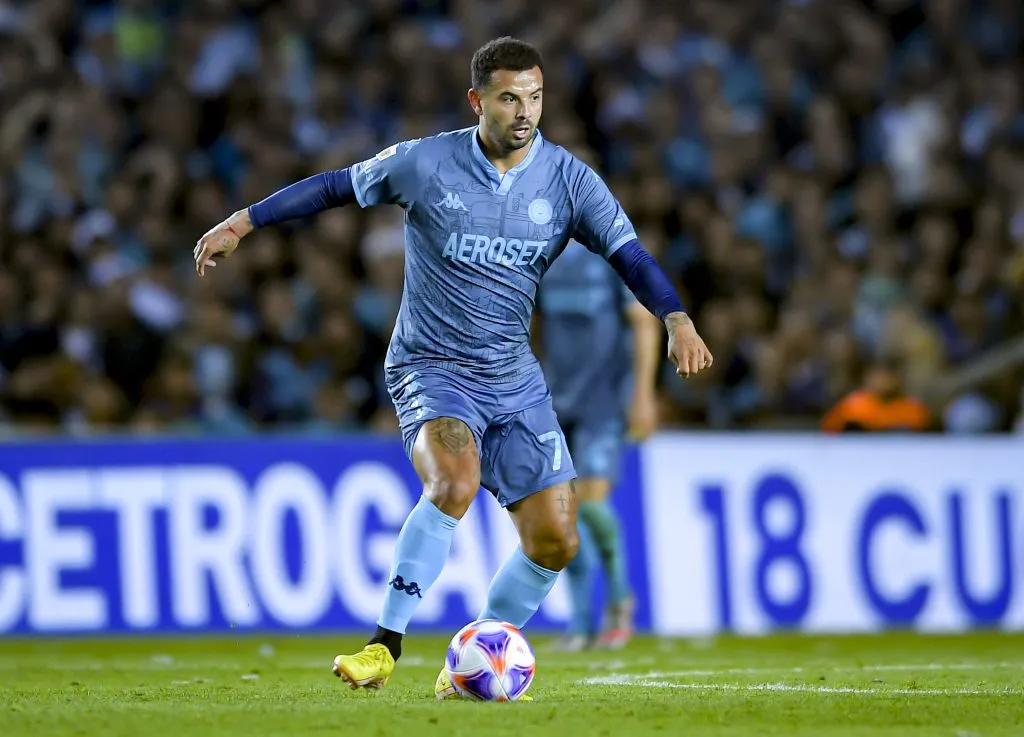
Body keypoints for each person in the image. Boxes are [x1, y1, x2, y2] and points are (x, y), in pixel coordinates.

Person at [193, 37, 713, 697]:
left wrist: (675, 317)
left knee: (556, 539)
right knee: (455, 479)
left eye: (535, 96)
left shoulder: (569, 180)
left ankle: (477, 653)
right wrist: (243, 221)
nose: (524, 111)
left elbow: (630, 255)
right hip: (431, 364)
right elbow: (333, 188)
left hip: (514, 377)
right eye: (508, 98)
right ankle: (384, 643)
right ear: (478, 101)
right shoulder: (425, 162)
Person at [535, 240, 662, 650]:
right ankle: (581, 623)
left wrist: (643, 394)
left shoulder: (611, 252)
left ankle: (620, 601)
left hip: (605, 400)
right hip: (557, 400)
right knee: (563, 514)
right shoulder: (540, 254)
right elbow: (533, 329)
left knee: (590, 503)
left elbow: (644, 321)